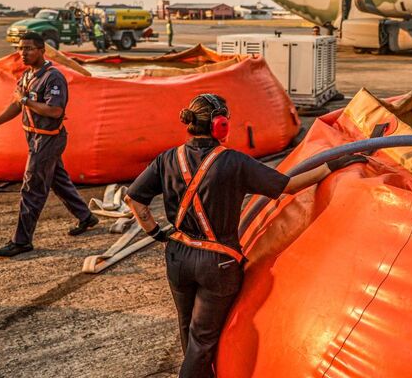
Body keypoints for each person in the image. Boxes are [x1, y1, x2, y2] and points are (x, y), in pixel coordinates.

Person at [124, 94, 365, 378]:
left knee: (187, 330)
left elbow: (135, 200)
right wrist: (331, 166)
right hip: (218, 263)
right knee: (202, 342)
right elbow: (287, 185)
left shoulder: (167, 158)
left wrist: (155, 232)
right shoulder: (234, 162)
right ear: (220, 125)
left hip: (177, 255)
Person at [0, 32, 99, 257]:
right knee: (58, 180)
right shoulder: (27, 76)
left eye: (29, 48)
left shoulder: (53, 78)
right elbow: (17, 106)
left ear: (42, 51)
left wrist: (26, 100)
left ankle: (21, 241)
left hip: (48, 139)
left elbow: (55, 111)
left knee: (31, 188)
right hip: (34, 137)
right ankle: (86, 217)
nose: (23, 53)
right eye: (20, 48)